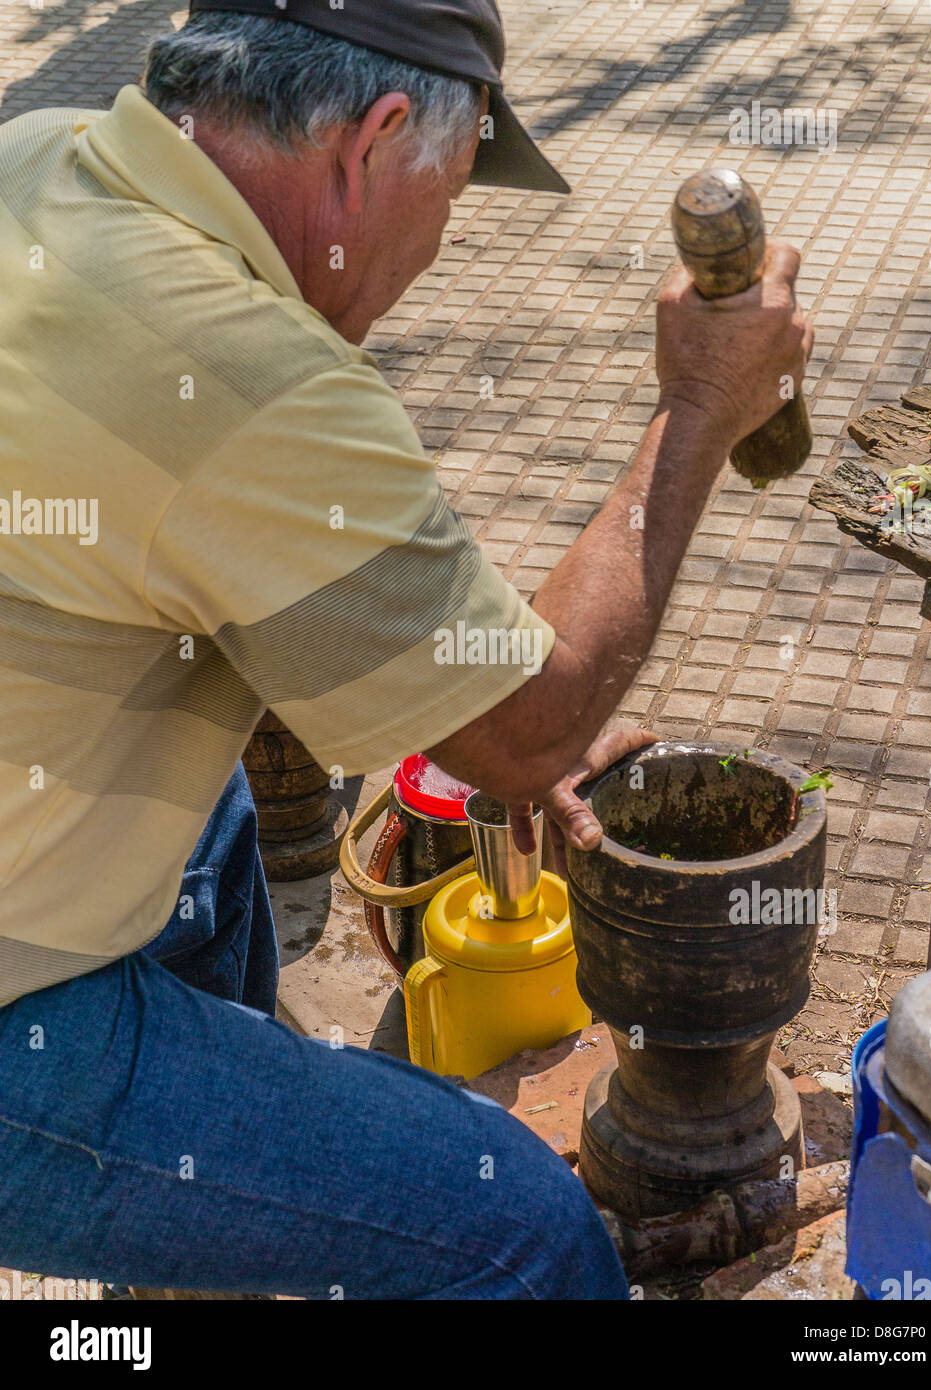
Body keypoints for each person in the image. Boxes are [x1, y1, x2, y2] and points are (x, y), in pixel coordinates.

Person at [0, 0, 812, 1298]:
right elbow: (531, 726)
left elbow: (199, 526)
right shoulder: (242, 368)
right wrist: (703, 403)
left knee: (211, 822)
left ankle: (204, 1246)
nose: (436, 248)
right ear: (377, 140)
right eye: (449, 196)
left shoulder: (38, 157)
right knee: (522, 1230)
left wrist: (459, 685)